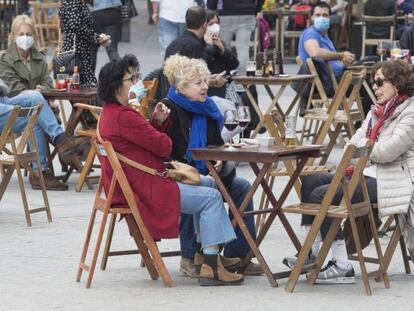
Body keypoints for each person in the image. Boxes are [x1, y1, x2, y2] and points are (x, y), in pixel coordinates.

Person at [97, 54, 244, 286]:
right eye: (132, 78)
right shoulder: (125, 116)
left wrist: (155, 123)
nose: (138, 81)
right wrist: (156, 127)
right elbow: (165, 147)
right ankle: (212, 266)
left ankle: (202, 255)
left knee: (207, 183)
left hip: (135, 181)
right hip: (144, 187)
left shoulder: (112, 112)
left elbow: (147, 143)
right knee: (212, 197)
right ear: (117, 85)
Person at [283, 60, 414, 284]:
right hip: (370, 171)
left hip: (395, 179)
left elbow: (385, 152)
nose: (375, 87)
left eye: (380, 82)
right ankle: (311, 252)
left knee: (321, 195)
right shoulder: (379, 111)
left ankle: (342, 265)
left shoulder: (410, 112)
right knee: (311, 180)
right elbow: (351, 145)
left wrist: (365, 145)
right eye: (374, 82)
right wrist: (367, 145)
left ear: (398, 84)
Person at [162, 54, 263, 277]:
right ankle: (190, 256)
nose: (205, 87)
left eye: (205, 82)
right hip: (179, 175)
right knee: (200, 184)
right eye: (198, 83)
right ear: (181, 87)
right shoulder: (169, 109)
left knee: (242, 187)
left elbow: (216, 144)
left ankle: (240, 255)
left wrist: (219, 158)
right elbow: (166, 151)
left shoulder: (207, 108)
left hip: (208, 170)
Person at [0, 79, 89, 191]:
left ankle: (60, 140)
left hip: (3, 99)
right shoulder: (8, 61)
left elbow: (46, 79)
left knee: (35, 96)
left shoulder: (38, 61)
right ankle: (40, 171)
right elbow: (11, 79)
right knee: (36, 117)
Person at [59, 0, 111, 86]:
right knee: (80, 89)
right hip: (75, 54)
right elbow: (76, 26)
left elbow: (79, 29)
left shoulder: (77, 2)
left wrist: (99, 40)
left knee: (85, 89)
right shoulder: (72, 2)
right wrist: (98, 38)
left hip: (81, 53)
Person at [0, 14, 54, 97]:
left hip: (39, 102)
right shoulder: (5, 59)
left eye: (28, 34)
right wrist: (35, 93)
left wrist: (44, 88)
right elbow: (14, 88)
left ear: (34, 37)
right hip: (16, 105)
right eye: (21, 34)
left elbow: (48, 81)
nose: (25, 38)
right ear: (14, 37)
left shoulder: (40, 56)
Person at [298, 1, 355, 78]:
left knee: (370, 64)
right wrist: (341, 55)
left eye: (325, 15)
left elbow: (333, 62)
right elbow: (315, 53)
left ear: (329, 18)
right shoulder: (310, 33)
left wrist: (344, 62)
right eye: (318, 15)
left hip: (337, 75)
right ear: (312, 17)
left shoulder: (324, 37)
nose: (321, 18)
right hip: (329, 81)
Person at [206, 0, 263, 76]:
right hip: (247, 12)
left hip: (226, 12)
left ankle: (224, 76)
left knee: (223, 47)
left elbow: (211, 3)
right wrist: (257, 9)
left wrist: (211, 7)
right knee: (243, 48)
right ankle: (243, 79)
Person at [205, 9, 239, 98]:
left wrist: (223, 50)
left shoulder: (220, 43)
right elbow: (202, 64)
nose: (215, 26)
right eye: (211, 24)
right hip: (209, 90)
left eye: (217, 23)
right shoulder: (198, 44)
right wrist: (209, 46)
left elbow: (234, 64)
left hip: (224, 89)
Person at [90, 0, 122, 74]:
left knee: (92, 50)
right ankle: (122, 76)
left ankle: (90, 82)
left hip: (93, 12)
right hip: (112, 11)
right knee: (112, 49)